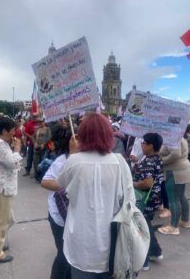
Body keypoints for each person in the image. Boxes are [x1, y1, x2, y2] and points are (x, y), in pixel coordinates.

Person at [55, 113, 135, 279]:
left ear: (82, 135)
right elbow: (129, 202)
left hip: (80, 240)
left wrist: (72, 153)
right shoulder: (119, 162)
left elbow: (60, 183)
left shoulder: (74, 161)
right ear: (108, 134)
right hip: (111, 241)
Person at [0, 117, 22, 263]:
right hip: (0, 188)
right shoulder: (0, 144)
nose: (15, 132)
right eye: (13, 130)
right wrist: (17, 149)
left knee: (7, 219)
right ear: (4, 131)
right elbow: (12, 163)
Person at [133, 133, 164, 271]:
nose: (141, 145)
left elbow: (147, 183)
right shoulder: (157, 158)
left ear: (150, 146)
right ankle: (156, 252)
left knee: (141, 231)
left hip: (145, 202)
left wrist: (133, 183)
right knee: (147, 226)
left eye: (143, 143)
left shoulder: (148, 161)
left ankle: (143, 262)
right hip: (155, 199)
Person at [41, 151, 72, 279]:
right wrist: (70, 186)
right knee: (64, 255)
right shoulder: (64, 160)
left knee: (73, 257)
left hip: (80, 218)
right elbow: (45, 182)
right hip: (60, 215)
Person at [158, 138, 190, 236]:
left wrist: (162, 160)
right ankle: (185, 220)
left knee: (174, 200)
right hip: (181, 169)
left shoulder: (173, 138)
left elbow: (176, 154)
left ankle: (173, 226)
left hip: (174, 171)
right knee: (181, 196)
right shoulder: (180, 136)